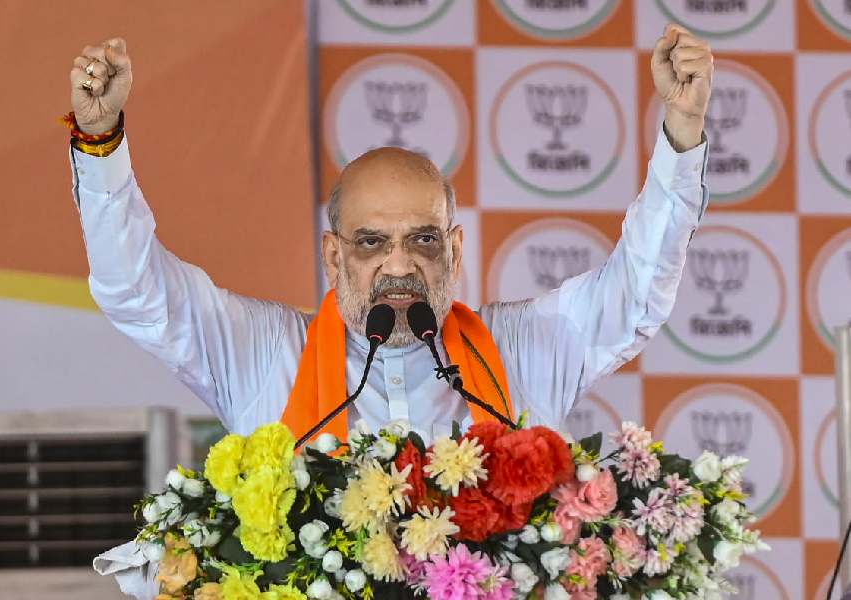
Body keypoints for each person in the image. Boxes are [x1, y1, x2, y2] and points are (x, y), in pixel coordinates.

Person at [68, 25, 712, 449]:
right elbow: (136, 292)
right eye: (372, 242)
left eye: (423, 241)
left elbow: (634, 297)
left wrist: (681, 135)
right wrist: (100, 147)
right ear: (333, 255)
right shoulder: (262, 355)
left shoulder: (526, 348)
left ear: (454, 251)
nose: (399, 265)